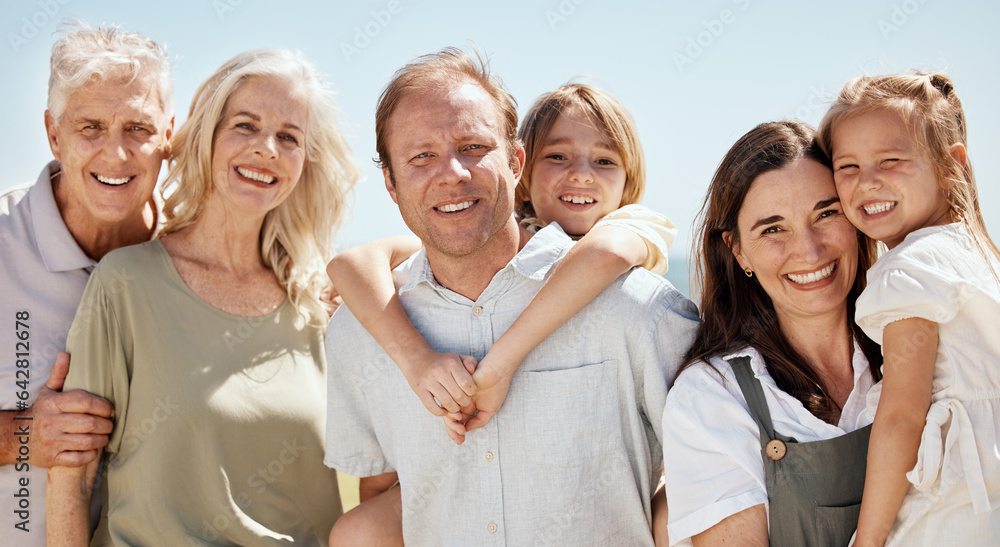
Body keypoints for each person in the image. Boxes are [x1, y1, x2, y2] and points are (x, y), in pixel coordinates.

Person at [324, 48, 699, 546]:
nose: (452, 173)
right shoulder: (360, 331)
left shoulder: (637, 310)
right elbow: (379, 499)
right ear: (390, 184)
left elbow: (718, 473)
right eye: (421, 156)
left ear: (516, 161)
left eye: (474, 146)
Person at [46, 49, 360, 545]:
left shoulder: (320, 307)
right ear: (205, 135)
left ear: (305, 160)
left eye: (288, 137)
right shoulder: (125, 283)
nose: (267, 149)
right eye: (245, 125)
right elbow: (74, 474)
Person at [662, 120, 883, 546]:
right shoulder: (713, 398)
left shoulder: (917, 348)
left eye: (827, 213)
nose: (809, 250)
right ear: (737, 249)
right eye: (773, 229)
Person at [0, 23, 173, 545]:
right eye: (90, 127)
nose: (116, 155)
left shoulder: (200, 257)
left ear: (170, 135)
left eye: (138, 129)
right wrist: (23, 438)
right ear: (54, 134)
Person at [819, 72, 1000, 546]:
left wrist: (869, 539)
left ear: (951, 164)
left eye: (891, 160)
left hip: (946, 514)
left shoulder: (910, 270)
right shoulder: (979, 256)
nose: (868, 183)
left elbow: (902, 416)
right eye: (848, 167)